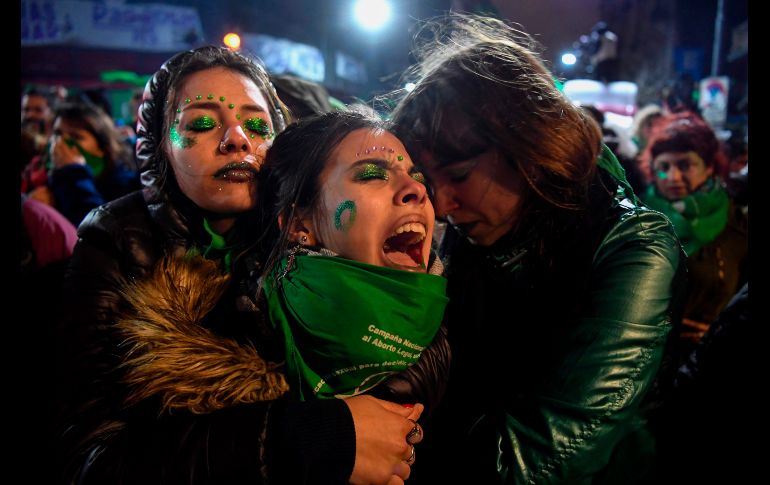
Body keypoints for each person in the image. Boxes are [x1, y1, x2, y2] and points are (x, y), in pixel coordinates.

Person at [55, 45, 421, 485]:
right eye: (203, 123)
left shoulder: (316, 221)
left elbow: (412, 352)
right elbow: (89, 459)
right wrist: (301, 437)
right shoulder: (115, 241)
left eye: (257, 125)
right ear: (159, 148)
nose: (237, 140)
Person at [388, 13, 686, 484]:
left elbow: (546, 458)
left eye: (460, 174)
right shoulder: (478, 234)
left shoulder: (633, 248)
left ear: (527, 146)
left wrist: (389, 442)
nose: (442, 204)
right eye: (430, 183)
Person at [255, 107, 449, 409]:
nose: (416, 189)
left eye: (416, 176)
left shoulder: (464, 336)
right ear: (300, 225)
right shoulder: (233, 341)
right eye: (372, 174)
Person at [640, 112, 748, 355]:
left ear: (709, 168)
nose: (673, 177)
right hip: (642, 361)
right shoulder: (636, 220)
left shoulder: (737, 228)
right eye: (663, 167)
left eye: (685, 165)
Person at [24, 98, 141, 226]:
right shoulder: (47, 177)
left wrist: (73, 171)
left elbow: (98, 232)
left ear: (102, 147)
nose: (61, 143)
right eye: (58, 134)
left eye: (75, 137)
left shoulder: (126, 187)